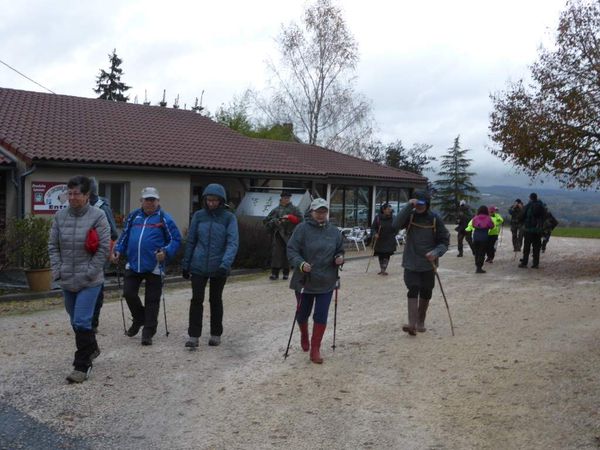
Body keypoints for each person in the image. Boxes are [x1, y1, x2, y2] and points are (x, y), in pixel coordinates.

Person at [48, 175, 110, 383]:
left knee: (83, 320)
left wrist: (90, 272)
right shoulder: (60, 217)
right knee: (75, 321)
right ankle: (91, 348)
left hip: (89, 280)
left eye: (77, 194)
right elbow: (53, 246)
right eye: (70, 193)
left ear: (87, 195)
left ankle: (82, 366)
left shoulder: (98, 216)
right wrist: (57, 270)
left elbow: (103, 248)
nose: (72, 197)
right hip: (66, 277)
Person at [112, 187, 181, 345]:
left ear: (158, 201)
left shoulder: (164, 218)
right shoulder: (133, 216)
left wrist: (166, 251)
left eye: (153, 200)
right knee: (129, 293)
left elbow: (175, 240)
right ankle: (139, 319)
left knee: (152, 300)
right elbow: (125, 236)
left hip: (154, 266)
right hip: (134, 263)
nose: (150, 203)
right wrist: (117, 250)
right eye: (147, 199)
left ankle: (148, 332)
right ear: (141, 201)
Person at [287, 198, 344, 363]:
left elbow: (339, 250)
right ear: (311, 212)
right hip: (304, 280)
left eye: (324, 211)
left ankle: (315, 348)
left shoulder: (334, 232)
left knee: (321, 315)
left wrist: (339, 258)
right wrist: (301, 264)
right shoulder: (301, 229)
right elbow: (291, 249)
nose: (321, 214)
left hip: (326, 280)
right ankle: (304, 334)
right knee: (302, 313)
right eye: (318, 211)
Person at [183, 184, 239, 348]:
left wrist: (225, 264)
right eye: (209, 200)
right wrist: (186, 264)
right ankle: (193, 335)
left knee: (215, 300)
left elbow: (232, 243)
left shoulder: (229, 218)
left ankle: (216, 333)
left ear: (221, 201)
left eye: (215, 200)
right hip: (198, 264)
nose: (211, 203)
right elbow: (191, 240)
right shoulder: (199, 216)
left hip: (219, 265)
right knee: (196, 300)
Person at [393, 191, 449, 335]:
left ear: (427, 204)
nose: (419, 207)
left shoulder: (435, 218)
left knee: (426, 291)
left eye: (421, 204)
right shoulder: (410, 215)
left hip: (428, 263)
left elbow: (444, 241)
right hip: (411, 261)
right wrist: (408, 206)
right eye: (416, 204)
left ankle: (420, 320)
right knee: (413, 288)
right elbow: (395, 225)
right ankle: (412, 324)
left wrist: (436, 253)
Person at [89, 177, 119, 333]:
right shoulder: (78, 207)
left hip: (98, 254)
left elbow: (113, 233)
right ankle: (84, 319)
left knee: (96, 288)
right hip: (81, 255)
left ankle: (93, 322)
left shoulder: (102, 208)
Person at [263, 191, 303, 280]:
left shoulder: (295, 209)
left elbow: (301, 220)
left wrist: (291, 218)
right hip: (278, 234)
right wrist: (276, 221)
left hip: (290, 234)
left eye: (288, 198)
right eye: (285, 198)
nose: (286, 199)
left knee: (287, 254)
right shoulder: (276, 210)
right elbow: (266, 221)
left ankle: (286, 273)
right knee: (276, 254)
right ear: (281, 198)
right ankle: (275, 273)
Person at [519, 192, 547, 269]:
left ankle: (524, 263)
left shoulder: (528, 206)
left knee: (527, 247)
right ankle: (535, 264)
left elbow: (521, 216)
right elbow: (545, 217)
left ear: (530, 198)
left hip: (528, 230)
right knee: (536, 248)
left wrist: (522, 223)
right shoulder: (541, 206)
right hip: (538, 231)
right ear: (536, 198)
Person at [370, 203, 398, 275]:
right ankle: (382, 268)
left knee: (387, 254)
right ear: (383, 210)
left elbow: (397, 227)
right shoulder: (378, 218)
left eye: (390, 209)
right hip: (380, 239)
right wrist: (375, 233)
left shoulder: (393, 218)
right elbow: (373, 228)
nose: (389, 210)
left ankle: (383, 269)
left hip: (389, 239)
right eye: (388, 209)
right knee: (381, 254)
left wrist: (394, 233)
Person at [466, 206, 495, 274]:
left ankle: (477, 266)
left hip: (476, 236)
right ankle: (479, 267)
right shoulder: (488, 218)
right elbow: (492, 226)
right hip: (484, 237)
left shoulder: (475, 217)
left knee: (477, 252)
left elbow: (473, 225)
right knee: (482, 253)